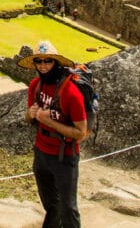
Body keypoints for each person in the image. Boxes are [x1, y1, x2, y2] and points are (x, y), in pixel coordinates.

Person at [21, 40, 87, 228]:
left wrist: (49, 121)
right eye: (39, 61)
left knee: (68, 208)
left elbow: (80, 133)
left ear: (56, 63)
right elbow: (29, 118)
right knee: (51, 205)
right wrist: (31, 114)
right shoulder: (35, 86)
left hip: (64, 156)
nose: (43, 66)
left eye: (48, 61)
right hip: (41, 152)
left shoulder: (71, 93)